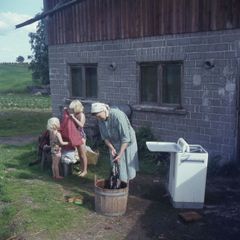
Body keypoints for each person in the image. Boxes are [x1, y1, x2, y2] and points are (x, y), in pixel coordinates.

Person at [91, 102, 139, 183]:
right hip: (114, 142)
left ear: (104, 110)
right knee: (116, 164)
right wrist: (112, 148)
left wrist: (120, 154)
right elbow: (105, 137)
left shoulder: (118, 116)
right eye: (96, 117)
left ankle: (126, 182)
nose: (98, 119)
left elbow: (126, 138)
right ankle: (118, 181)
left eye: (99, 116)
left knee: (125, 164)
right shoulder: (100, 120)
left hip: (127, 143)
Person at [68, 100, 88, 177]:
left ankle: (85, 171)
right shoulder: (75, 114)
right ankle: (82, 169)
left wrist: (74, 118)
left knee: (83, 155)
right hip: (76, 136)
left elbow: (81, 125)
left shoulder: (81, 115)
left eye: (73, 109)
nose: (72, 110)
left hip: (81, 137)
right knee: (79, 155)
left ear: (77, 108)